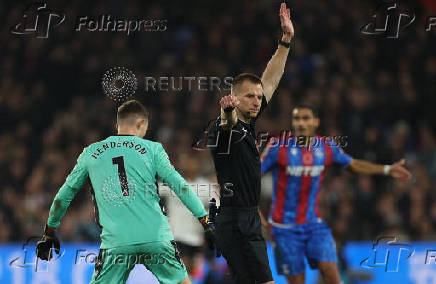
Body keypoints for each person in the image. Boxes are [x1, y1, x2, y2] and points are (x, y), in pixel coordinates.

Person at [36, 100, 215, 284]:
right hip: (155, 238)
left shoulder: (91, 153)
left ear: (117, 125)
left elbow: (63, 197)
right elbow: (181, 187)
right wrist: (205, 222)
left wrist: (49, 232)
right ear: (140, 123)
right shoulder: (153, 149)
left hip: (116, 243)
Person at [261, 104, 412, 284]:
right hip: (284, 228)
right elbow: (251, 178)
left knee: (331, 272)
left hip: (313, 224)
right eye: (297, 119)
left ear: (316, 122)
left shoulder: (326, 147)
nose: (301, 123)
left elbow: (353, 164)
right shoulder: (278, 147)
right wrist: (255, 213)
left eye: (305, 118)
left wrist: (387, 169)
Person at [207, 3, 295, 283]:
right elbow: (226, 127)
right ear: (235, 98)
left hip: (244, 218)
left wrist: (285, 41)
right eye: (250, 97)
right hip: (235, 221)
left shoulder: (249, 123)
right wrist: (228, 113)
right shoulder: (223, 127)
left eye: (259, 98)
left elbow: (270, 80)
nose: (257, 101)